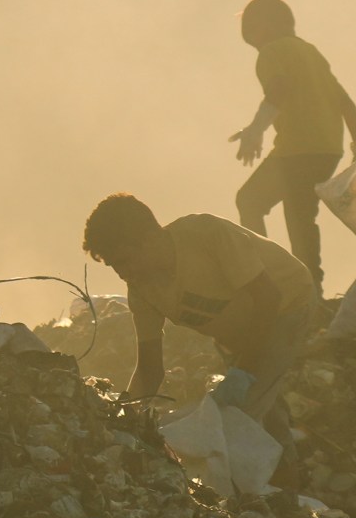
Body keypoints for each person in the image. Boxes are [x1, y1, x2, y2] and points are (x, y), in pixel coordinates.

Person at [82, 193, 320, 488]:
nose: (123, 273)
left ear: (149, 238)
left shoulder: (208, 236)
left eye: (125, 261)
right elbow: (149, 368)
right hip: (237, 330)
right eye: (114, 267)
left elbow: (268, 299)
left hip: (285, 305)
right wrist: (124, 417)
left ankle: (262, 496)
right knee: (263, 407)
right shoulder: (142, 289)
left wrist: (243, 372)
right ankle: (289, 489)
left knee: (236, 415)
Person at [230, 0, 356, 289]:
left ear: (261, 28)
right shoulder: (309, 52)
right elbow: (346, 102)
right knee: (300, 215)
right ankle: (311, 288)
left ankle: (267, 279)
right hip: (328, 149)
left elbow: (279, 88)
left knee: (250, 201)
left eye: (251, 34)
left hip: (297, 149)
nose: (253, 43)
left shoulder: (271, 52)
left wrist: (255, 130)